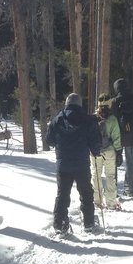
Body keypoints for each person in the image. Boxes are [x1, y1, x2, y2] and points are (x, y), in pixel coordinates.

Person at [46, 93, 102, 234]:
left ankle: (59, 224)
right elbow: (95, 141)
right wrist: (96, 151)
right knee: (86, 192)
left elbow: (49, 141)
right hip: (81, 164)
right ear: (79, 104)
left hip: (63, 164)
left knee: (63, 194)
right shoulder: (88, 120)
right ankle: (88, 223)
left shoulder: (56, 120)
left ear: (66, 104)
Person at [91, 93, 122, 211]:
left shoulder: (94, 117)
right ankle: (111, 202)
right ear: (109, 104)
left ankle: (97, 201)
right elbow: (116, 137)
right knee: (110, 176)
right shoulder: (113, 119)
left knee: (96, 176)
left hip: (95, 152)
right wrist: (119, 151)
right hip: (109, 151)